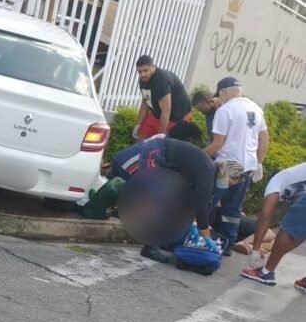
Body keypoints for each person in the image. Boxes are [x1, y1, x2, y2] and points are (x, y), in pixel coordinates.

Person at [129, 140, 243, 263]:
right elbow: (201, 207)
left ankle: (156, 242)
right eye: (229, 183)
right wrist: (206, 237)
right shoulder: (207, 174)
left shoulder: (208, 172)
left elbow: (192, 200)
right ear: (227, 174)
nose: (226, 186)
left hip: (164, 156)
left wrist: (193, 225)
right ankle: (150, 247)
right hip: (156, 152)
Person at [205, 77, 269, 251]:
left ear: (223, 91)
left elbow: (217, 143)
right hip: (247, 166)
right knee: (232, 208)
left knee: (209, 200)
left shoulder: (225, 110)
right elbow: (264, 137)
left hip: (227, 165)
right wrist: (259, 162)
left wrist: (200, 156)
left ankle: (201, 238)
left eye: (219, 94)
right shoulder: (256, 108)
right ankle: (226, 242)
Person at [241, 162, 306, 290]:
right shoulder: (294, 183)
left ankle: (265, 272)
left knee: (290, 227)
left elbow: (265, 216)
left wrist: (255, 249)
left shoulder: (276, 181)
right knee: (301, 228)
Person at [111, 121, 203, 181]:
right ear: (188, 139)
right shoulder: (167, 145)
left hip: (119, 160)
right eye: (192, 142)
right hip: (127, 168)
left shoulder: (163, 136)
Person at [133, 55, 192, 141]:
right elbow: (145, 102)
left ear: (153, 67)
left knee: (165, 145)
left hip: (176, 116)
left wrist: (159, 136)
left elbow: (166, 110)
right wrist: (138, 124)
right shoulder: (143, 79)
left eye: (146, 70)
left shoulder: (162, 80)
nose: (143, 74)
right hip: (157, 114)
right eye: (140, 71)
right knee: (140, 137)